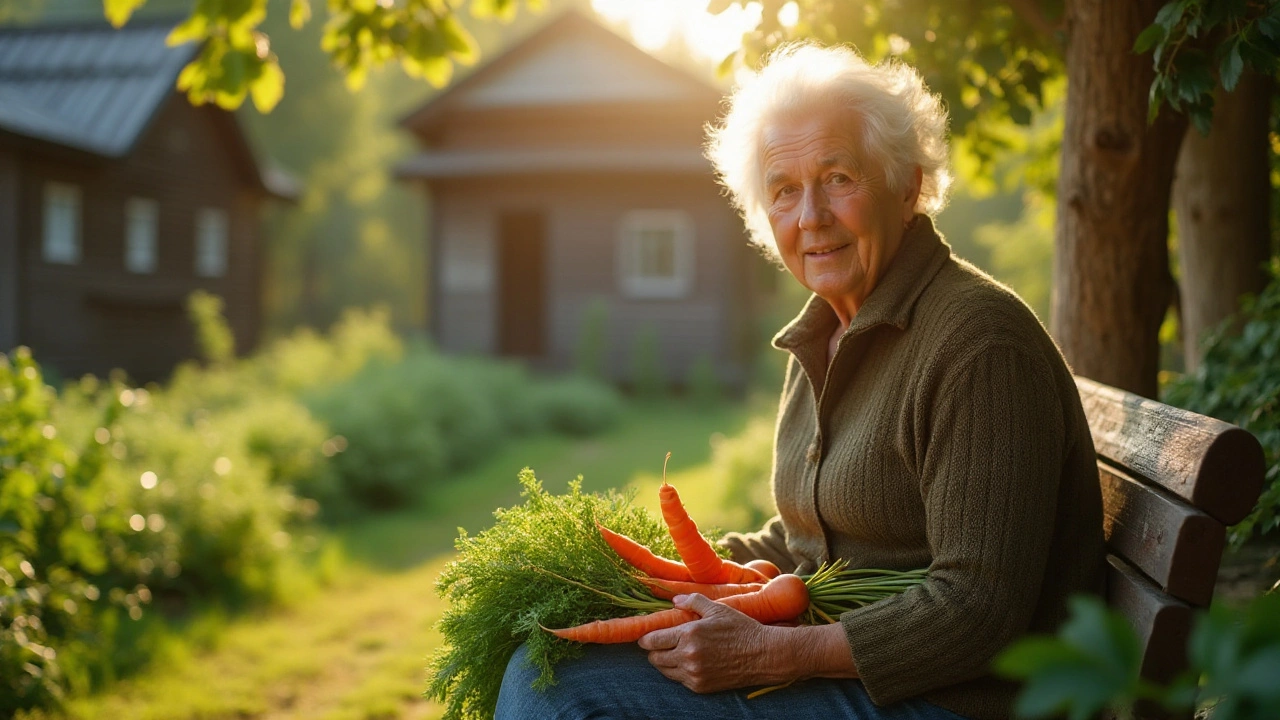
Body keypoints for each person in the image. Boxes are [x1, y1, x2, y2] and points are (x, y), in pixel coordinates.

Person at [495, 42, 1105, 720]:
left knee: (558, 689)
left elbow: (977, 612)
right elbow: (815, 541)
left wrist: (768, 653)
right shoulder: (825, 334)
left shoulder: (978, 344)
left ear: (906, 184)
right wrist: (649, 579)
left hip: (959, 701)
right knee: (550, 653)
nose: (810, 216)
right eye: (784, 191)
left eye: (838, 177)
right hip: (871, 679)